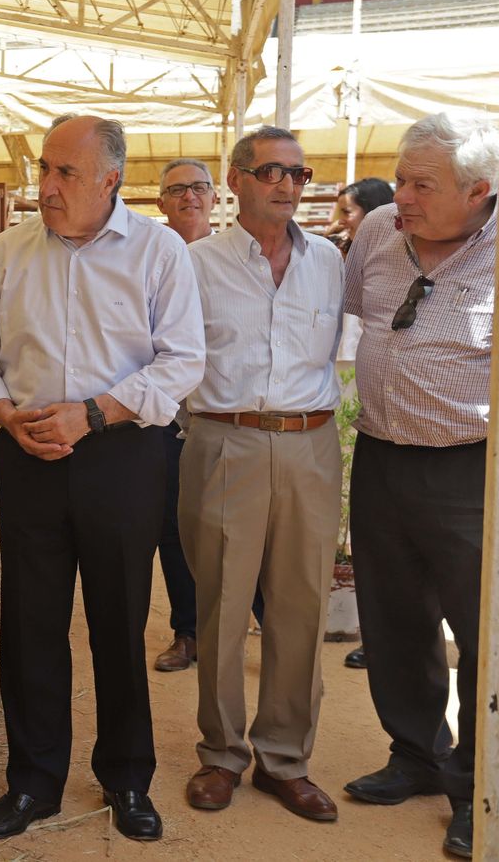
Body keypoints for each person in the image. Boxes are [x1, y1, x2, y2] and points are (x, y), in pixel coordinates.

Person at [0, 115, 204, 843]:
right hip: (27, 452)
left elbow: (181, 360)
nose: (47, 185)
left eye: (65, 172)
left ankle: (126, 777)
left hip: (122, 455)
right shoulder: (8, 252)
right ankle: (33, 782)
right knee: (30, 621)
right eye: (45, 169)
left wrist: (93, 414)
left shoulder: (157, 252)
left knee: (121, 619)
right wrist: (6, 414)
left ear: (110, 181)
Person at [341, 112, 499, 860]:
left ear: (479, 192)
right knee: (394, 617)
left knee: (481, 630)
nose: (400, 194)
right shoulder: (376, 231)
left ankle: (480, 787)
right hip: (380, 454)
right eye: (399, 178)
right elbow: (345, 312)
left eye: (420, 184)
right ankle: (416, 753)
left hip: (472, 466)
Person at [178, 125, 345, 823]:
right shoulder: (195, 263)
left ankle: (285, 758)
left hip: (311, 443)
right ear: (236, 179)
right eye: (272, 171)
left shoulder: (332, 262)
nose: (287, 184)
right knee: (221, 602)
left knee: (302, 603)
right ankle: (221, 753)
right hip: (225, 441)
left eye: (298, 174)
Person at [150, 158, 266, 673]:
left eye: (199, 187)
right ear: (161, 204)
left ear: (216, 197)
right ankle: (189, 631)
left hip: (230, 415)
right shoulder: (148, 256)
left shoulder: (234, 257)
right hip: (169, 418)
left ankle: (265, 623)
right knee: (175, 527)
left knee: (249, 526)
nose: (189, 197)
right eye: (177, 190)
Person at [325, 176, 394, 671]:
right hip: (346, 393)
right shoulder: (340, 254)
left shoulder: (382, 251)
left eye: (347, 211)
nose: (340, 220)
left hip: (359, 392)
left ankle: (386, 636)